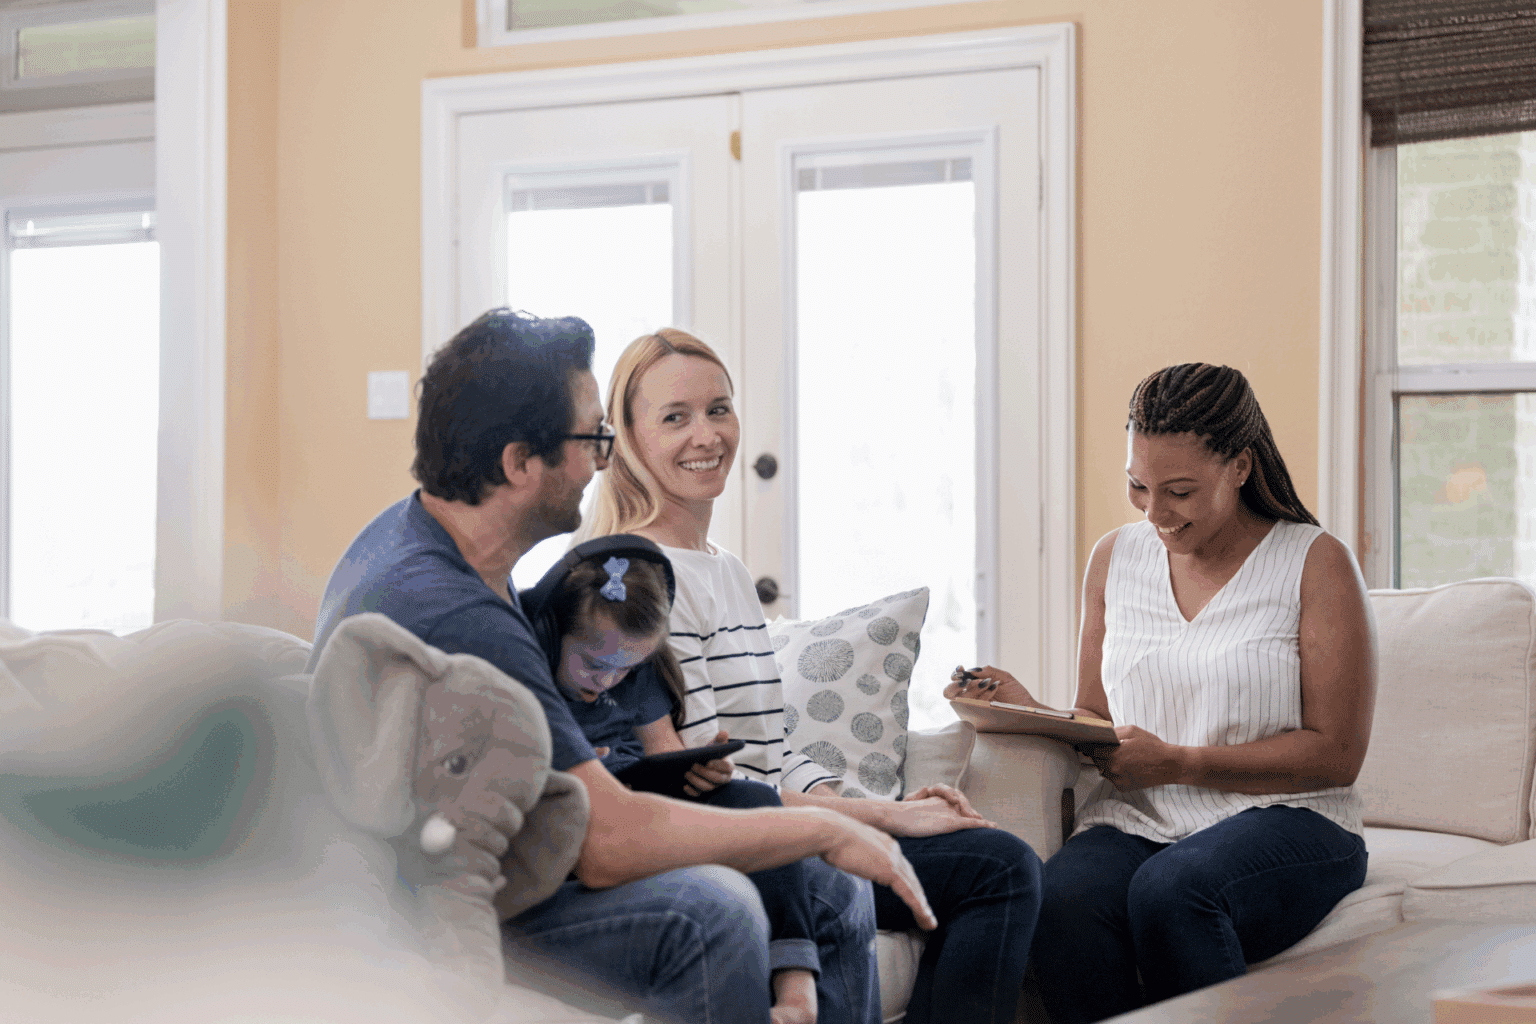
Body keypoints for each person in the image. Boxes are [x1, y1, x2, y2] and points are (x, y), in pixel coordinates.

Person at [309, 309, 938, 1024]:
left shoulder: (427, 539)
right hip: (447, 903)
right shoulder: (458, 614)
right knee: (713, 911)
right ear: (519, 463)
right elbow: (606, 843)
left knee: (832, 887)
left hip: (501, 853)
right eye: (593, 439)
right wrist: (826, 828)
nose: (604, 462)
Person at [582, 327, 1045, 1024]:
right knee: (995, 870)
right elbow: (713, 784)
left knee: (1001, 861)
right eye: (675, 417)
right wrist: (885, 816)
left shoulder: (725, 569)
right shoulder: (643, 580)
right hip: (733, 840)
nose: (707, 435)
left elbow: (767, 744)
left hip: (777, 817)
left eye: (718, 409)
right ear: (628, 439)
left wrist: (843, 796)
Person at [950, 362, 1376, 1023]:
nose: (1155, 513)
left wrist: (1181, 762)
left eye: (1179, 491)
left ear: (1240, 466)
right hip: (1140, 818)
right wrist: (1028, 710)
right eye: (1138, 487)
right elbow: (1098, 716)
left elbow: (1336, 754)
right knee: (1058, 898)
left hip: (1293, 816)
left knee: (1173, 891)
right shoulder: (1114, 558)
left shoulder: (1315, 561)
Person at [520, 534, 880, 1024]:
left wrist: (698, 770)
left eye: (625, 669)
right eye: (594, 663)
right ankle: (793, 983)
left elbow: (662, 753)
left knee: (758, 804)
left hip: (643, 798)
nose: (606, 681)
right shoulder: (528, 669)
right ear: (553, 630)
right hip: (584, 818)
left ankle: (796, 982)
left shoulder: (633, 672)